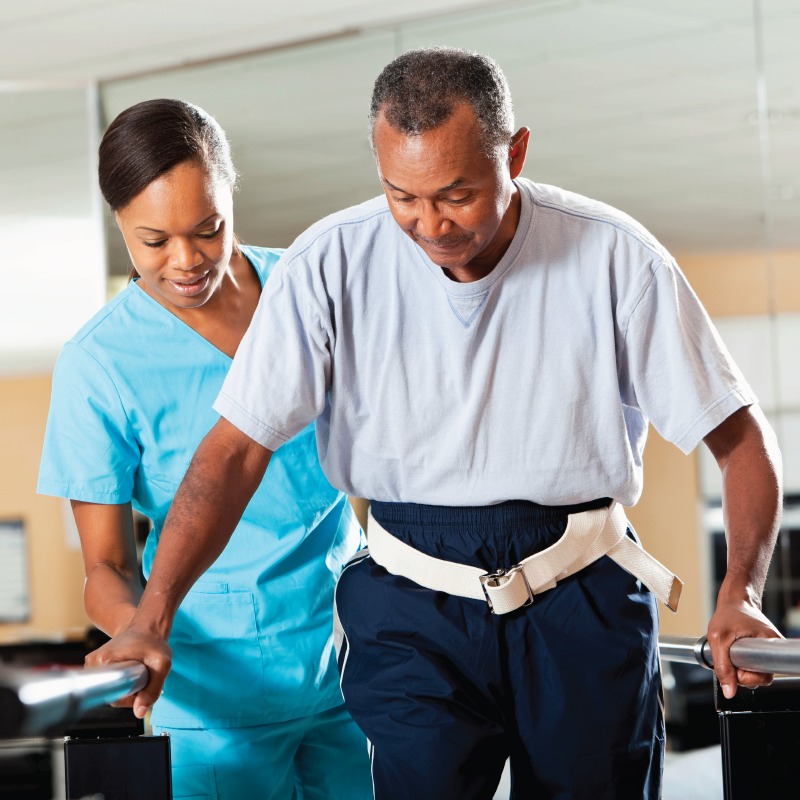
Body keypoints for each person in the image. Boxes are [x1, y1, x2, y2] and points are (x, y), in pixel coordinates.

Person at [84, 50, 783, 799]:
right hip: (408, 603)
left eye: (456, 193)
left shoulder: (615, 257)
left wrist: (742, 590)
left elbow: (740, 441)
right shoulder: (329, 262)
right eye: (402, 195)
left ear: (514, 152)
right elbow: (232, 453)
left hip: (581, 591)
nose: (429, 224)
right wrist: (150, 617)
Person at [37, 99, 372, 800]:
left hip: (350, 670)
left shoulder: (305, 291)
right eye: (153, 240)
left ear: (230, 196)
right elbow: (103, 566)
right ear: (119, 225)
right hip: (212, 698)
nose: (186, 261)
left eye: (208, 229)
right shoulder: (100, 363)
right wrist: (139, 632)